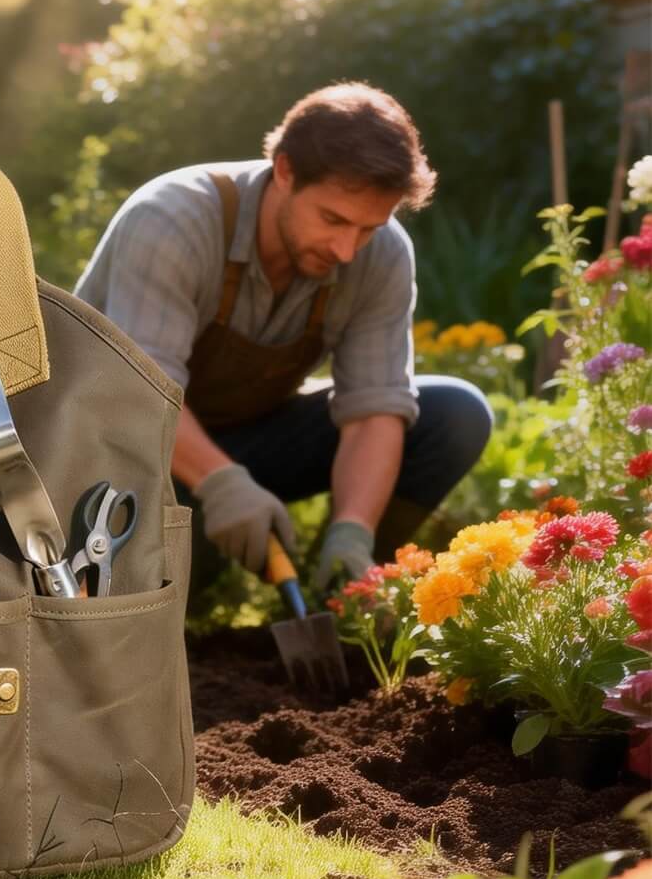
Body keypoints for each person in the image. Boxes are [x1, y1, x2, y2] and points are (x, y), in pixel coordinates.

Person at [74, 82, 492, 591]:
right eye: (333, 219)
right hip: (113, 450)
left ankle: (345, 591)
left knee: (454, 415)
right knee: (179, 582)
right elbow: (137, 396)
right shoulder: (173, 219)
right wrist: (221, 485)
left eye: (367, 228)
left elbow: (374, 411)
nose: (346, 249)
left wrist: (353, 529)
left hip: (247, 441)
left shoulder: (381, 254)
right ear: (285, 170)